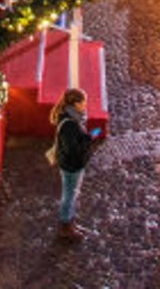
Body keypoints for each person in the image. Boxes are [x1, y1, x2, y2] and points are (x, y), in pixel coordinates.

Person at [50, 87, 101, 238]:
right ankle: (65, 226)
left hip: (71, 163)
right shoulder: (70, 124)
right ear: (75, 104)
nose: (86, 104)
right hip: (71, 165)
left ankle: (70, 222)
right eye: (83, 101)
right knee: (69, 195)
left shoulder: (73, 117)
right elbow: (74, 149)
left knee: (72, 193)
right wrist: (90, 137)